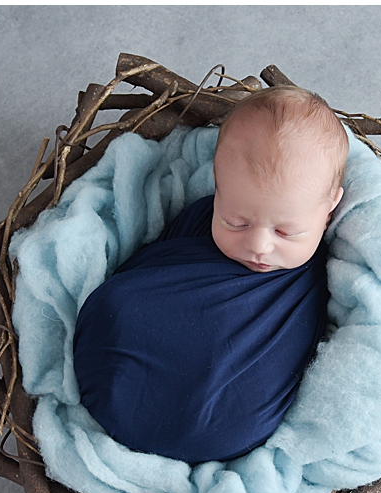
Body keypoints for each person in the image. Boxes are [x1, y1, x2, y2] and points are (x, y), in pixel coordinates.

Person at [72, 86, 349, 464]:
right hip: (113, 374)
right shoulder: (201, 215)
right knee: (118, 305)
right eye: (236, 221)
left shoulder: (324, 276)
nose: (259, 246)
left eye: (286, 232)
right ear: (218, 184)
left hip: (223, 428)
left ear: (330, 204)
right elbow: (153, 263)